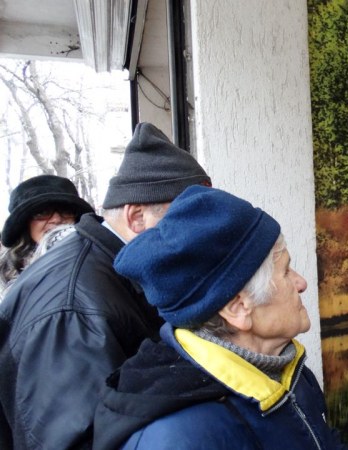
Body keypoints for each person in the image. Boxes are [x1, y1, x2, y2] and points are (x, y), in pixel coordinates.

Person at [0, 122, 212, 449]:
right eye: (187, 218)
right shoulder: (74, 309)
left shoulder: (110, 268)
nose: (199, 234)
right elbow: (74, 439)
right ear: (137, 218)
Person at [93, 186, 348, 450]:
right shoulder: (180, 439)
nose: (302, 283)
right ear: (238, 308)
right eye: (285, 272)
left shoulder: (287, 369)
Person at [0, 174, 94, 291]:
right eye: (42, 212)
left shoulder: (96, 261)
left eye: (66, 211)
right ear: (24, 224)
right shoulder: (5, 275)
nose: (57, 219)